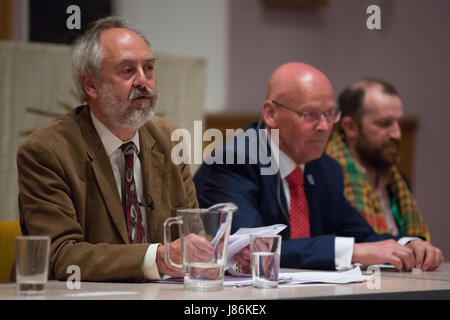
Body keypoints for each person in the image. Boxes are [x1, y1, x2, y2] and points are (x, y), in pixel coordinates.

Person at [194, 62, 443, 272]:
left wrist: (408, 244)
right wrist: (353, 252)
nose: (324, 127)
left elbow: (362, 236)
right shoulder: (234, 162)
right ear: (270, 114)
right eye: (310, 115)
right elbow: (253, 249)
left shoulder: (326, 169)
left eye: (330, 114)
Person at [16, 16, 213, 282]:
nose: (144, 81)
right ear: (91, 85)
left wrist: (231, 254)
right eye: (127, 71)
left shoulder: (169, 140)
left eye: (149, 68)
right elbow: (59, 256)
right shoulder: (47, 151)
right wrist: (155, 257)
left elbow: (192, 238)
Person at [326, 79, 430, 241]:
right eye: (384, 124)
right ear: (350, 127)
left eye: (399, 124)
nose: (397, 134)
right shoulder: (328, 179)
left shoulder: (399, 181)